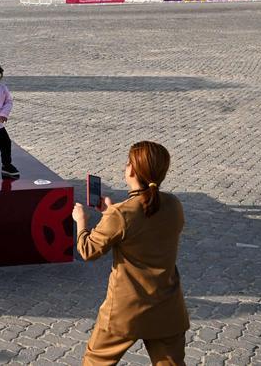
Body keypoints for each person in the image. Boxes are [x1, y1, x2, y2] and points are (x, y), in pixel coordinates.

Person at [72, 141, 188, 365]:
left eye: (127, 164)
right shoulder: (174, 205)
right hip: (167, 307)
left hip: (125, 311)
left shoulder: (121, 214)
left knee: (95, 362)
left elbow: (88, 251)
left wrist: (82, 222)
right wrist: (111, 213)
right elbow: (145, 224)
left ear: (133, 170)